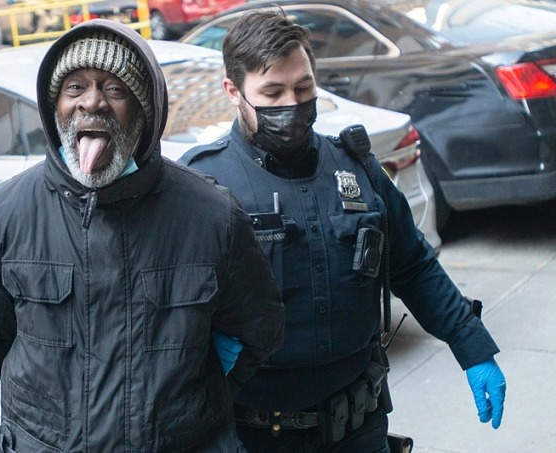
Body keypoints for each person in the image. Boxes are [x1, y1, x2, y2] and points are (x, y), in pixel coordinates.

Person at [179, 10, 507, 452]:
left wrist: (472, 346)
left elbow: (412, 265)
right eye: (272, 93)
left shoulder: (356, 168)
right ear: (233, 91)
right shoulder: (204, 185)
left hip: (359, 427)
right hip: (254, 436)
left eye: (304, 88)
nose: (292, 104)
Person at [0, 19, 285, 452]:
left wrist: (190, 408)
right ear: (55, 106)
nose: (91, 102)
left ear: (145, 111)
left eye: (115, 89)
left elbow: (256, 331)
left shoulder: (213, 217)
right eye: (74, 87)